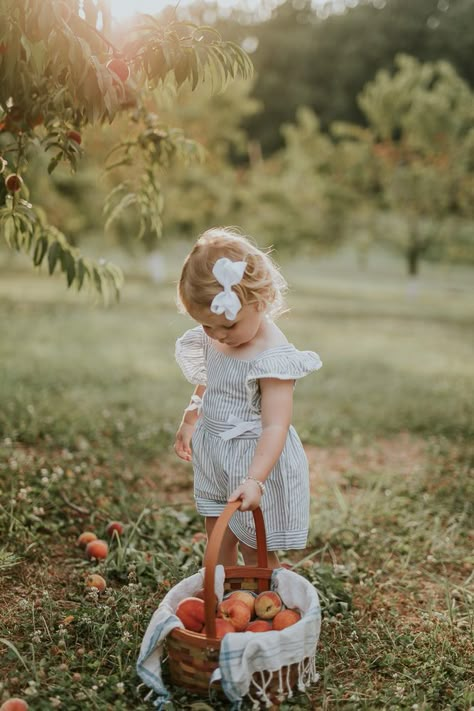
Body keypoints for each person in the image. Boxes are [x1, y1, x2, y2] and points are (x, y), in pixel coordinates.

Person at [174, 227, 322, 568]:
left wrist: (254, 479)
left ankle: (261, 597)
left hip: (254, 457)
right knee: (218, 531)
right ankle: (224, 594)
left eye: (228, 326)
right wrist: (191, 416)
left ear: (260, 301)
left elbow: (275, 426)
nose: (219, 336)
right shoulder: (216, 334)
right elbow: (211, 379)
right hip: (214, 451)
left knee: (256, 543)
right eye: (209, 326)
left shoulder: (272, 357)